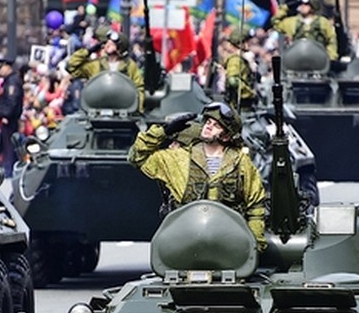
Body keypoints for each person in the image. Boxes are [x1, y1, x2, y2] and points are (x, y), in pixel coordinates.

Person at [129, 101, 267, 251]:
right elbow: (136, 157)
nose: (209, 126)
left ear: (226, 136)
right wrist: (164, 131)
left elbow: (255, 206)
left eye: (216, 125)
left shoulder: (240, 162)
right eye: (208, 121)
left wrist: (255, 246)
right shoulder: (179, 159)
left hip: (228, 244)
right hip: (185, 241)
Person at [66, 29, 145, 111]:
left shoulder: (129, 66)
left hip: (122, 109)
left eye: (111, 44)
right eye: (107, 43)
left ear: (120, 48)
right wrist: (88, 51)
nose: (106, 45)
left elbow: (138, 88)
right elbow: (71, 66)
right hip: (97, 107)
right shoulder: (97, 64)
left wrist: (138, 110)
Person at [270, 0, 339, 60]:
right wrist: (286, 7)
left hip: (317, 60)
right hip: (296, 59)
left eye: (306, 4)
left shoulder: (322, 22)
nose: (302, 6)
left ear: (313, 6)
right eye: (301, 4)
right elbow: (276, 22)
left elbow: (331, 39)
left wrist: (331, 57)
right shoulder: (292, 22)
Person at [221, 28, 259, 113]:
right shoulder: (236, 59)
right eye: (247, 41)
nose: (250, 43)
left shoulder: (243, 58)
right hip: (238, 106)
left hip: (244, 105)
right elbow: (232, 80)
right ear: (240, 43)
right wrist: (249, 93)